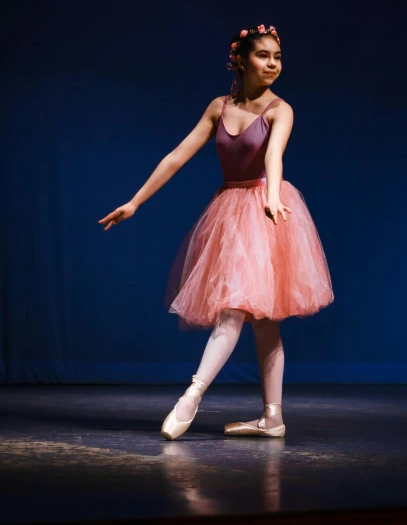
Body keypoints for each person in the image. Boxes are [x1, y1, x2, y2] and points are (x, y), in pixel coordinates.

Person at [98, 23, 334, 440]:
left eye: (278, 57)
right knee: (241, 313)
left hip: (267, 213)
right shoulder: (218, 107)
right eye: (264, 56)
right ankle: (263, 416)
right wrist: (135, 201)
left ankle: (201, 397)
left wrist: (274, 196)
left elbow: (274, 154)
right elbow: (176, 156)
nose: (273, 64)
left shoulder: (281, 109)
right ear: (242, 60)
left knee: (255, 318)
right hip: (230, 213)